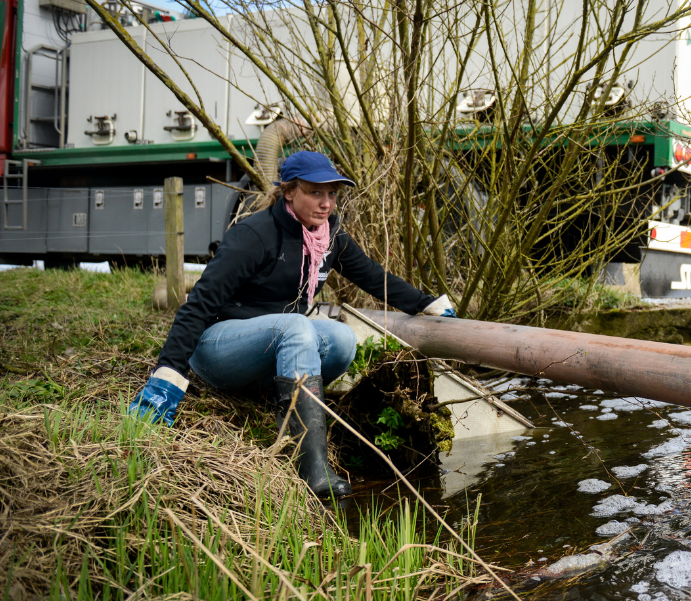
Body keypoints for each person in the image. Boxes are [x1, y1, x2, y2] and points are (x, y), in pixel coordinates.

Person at [127, 151, 456, 497]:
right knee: (296, 326)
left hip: (270, 348)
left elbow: (373, 276)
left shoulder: (329, 237)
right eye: (315, 192)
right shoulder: (254, 235)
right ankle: (312, 465)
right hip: (219, 348)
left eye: (332, 194)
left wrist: (425, 304)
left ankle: (279, 399)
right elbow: (200, 304)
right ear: (288, 191)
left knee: (342, 339)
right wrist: (166, 378)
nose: (326, 203)